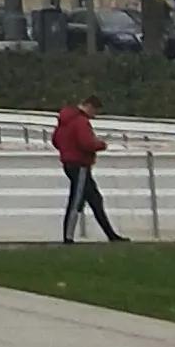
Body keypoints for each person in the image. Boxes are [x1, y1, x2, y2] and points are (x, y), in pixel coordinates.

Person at [52, 97, 121, 240]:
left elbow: (56, 140)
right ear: (89, 106)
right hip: (80, 165)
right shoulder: (81, 121)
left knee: (94, 199)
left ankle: (111, 235)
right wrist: (101, 145)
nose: (94, 115)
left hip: (70, 164)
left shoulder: (65, 121)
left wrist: (67, 149)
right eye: (94, 111)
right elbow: (87, 143)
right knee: (77, 201)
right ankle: (68, 237)